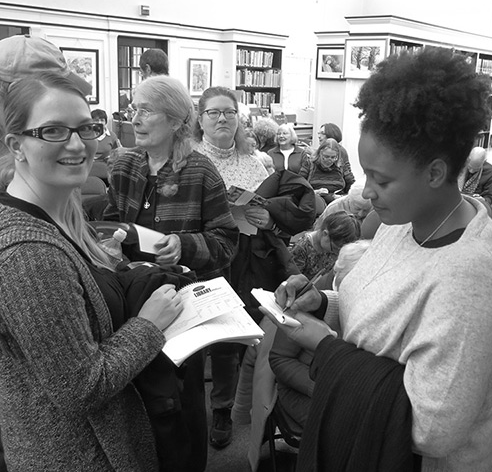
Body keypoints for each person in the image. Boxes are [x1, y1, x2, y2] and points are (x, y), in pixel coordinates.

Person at [264, 47, 492, 471]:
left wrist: (324, 350)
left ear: (434, 173)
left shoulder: (471, 277)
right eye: (365, 173)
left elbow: (433, 428)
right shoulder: (399, 222)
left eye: (382, 179)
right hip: (360, 437)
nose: (366, 191)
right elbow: (378, 311)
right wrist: (323, 303)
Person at [0, 72, 184, 471]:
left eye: (87, 128)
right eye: (52, 130)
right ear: (16, 145)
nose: (76, 143)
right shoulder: (30, 253)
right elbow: (79, 387)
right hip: (79, 454)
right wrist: (148, 326)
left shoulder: (58, 215)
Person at [104, 75, 239, 470]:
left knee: (179, 405)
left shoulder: (200, 172)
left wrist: (184, 245)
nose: (135, 118)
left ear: (177, 121)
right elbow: (112, 220)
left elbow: (226, 243)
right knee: (138, 401)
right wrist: (111, 242)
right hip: (130, 299)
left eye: (146, 110)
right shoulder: (125, 164)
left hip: (182, 307)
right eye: (133, 109)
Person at [192, 86, 316, 449]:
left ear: (239, 119)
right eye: (213, 113)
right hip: (208, 255)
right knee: (202, 331)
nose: (222, 119)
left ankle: (224, 409)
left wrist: (268, 219)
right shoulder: (190, 160)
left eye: (229, 112)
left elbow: (273, 216)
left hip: (251, 256)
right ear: (200, 120)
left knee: (236, 334)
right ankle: (192, 409)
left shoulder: (257, 161)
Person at [270, 240, 370, 433]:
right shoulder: (308, 298)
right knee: (341, 431)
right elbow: (279, 358)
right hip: (304, 387)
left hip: (345, 387)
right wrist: (318, 388)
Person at [290, 210, 360, 280]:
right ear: (325, 234)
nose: (337, 253)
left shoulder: (332, 246)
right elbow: (293, 279)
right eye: (335, 249)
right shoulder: (302, 248)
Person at [299, 138, 355, 207]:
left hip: (337, 204)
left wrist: (341, 197)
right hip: (315, 203)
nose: (329, 160)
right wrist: (316, 192)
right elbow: (299, 186)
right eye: (326, 156)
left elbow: (352, 187)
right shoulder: (309, 164)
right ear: (320, 153)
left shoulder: (341, 166)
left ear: (337, 156)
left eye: (333, 157)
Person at [89, 108, 121, 183]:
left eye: (102, 120)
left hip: (106, 168)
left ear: (105, 122)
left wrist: (111, 158)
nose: (99, 123)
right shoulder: (85, 135)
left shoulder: (112, 136)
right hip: (89, 168)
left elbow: (118, 152)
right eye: (96, 120)